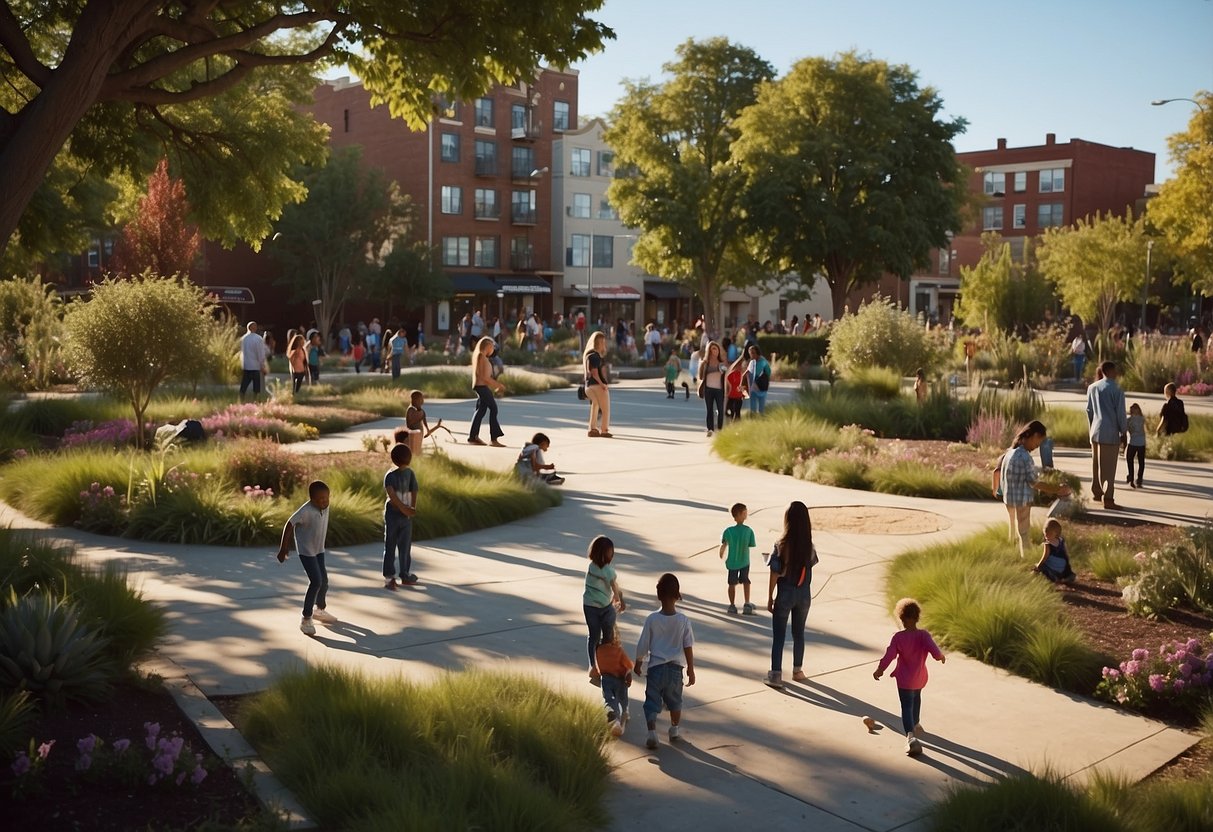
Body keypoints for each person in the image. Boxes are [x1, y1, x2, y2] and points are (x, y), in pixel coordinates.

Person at [873, 598, 945, 757]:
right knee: (917, 697)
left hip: (904, 679)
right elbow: (934, 651)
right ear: (917, 617)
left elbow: (889, 656)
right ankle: (916, 723)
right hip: (919, 677)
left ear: (901, 618)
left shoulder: (898, 637)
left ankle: (910, 736)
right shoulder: (923, 635)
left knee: (906, 706)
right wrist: (941, 657)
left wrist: (880, 669)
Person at [634, 573, 695, 750]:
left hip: (656, 669)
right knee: (675, 701)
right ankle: (674, 729)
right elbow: (688, 645)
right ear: (678, 595)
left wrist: (638, 661)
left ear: (658, 595)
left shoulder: (652, 619)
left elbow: (643, 643)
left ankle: (652, 732)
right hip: (675, 670)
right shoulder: (683, 620)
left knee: (652, 702)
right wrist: (690, 669)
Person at [1000, 420, 1072, 557]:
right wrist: (1057, 489)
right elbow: (1034, 482)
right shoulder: (1025, 457)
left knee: (1014, 531)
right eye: (1038, 441)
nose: (1038, 445)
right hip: (1022, 500)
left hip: (1009, 498)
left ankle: (1014, 557)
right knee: (1024, 533)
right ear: (1034, 435)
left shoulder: (1010, 452)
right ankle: (1026, 558)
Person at [274, 481, 337, 635]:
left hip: (319, 550)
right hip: (306, 552)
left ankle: (319, 610)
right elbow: (289, 524)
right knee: (316, 581)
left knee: (324, 581)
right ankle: (306, 618)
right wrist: (283, 548)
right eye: (320, 499)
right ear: (312, 499)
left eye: (326, 498)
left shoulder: (325, 507)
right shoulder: (305, 510)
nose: (325, 502)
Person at [765, 501, 816, 689]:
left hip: (785, 593)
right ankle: (797, 670)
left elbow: (774, 572)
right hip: (804, 594)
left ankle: (776, 675)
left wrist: (770, 597)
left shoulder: (781, 545)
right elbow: (810, 567)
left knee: (779, 636)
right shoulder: (810, 546)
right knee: (799, 633)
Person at [584, 535, 626, 686]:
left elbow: (613, 585)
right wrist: (619, 598)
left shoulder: (592, 567)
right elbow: (614, 586)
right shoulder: (607, 571)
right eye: (610, 552)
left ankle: (596, 665)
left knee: (595, 636)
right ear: (603, 554)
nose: (612, 555)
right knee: (604, 636)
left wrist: (616, 596)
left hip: (595, 606)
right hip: (598, 608)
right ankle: (599, 666)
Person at [1086, 361, 1128, 509]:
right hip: (1110, 432)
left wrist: (1091, 428)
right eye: (1115, 370)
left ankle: (1097, 492)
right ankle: (1108, 497)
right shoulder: (1117, 389)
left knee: (1096, 464)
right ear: (1110, 371)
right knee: (1109, 467)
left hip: (1096, 431)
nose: (1116, 373)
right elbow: (1120, 413)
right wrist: (1124, 432)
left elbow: (1089, 411)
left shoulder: (1092, 388)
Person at [382, 443, 419, 590]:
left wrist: (410, 509)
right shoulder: (397, 475)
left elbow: (411, 491)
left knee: (399, 545)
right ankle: (396, 575)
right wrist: (408, 509)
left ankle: (398, 575)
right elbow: (394, 496)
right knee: (396, 545)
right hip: (396, 514)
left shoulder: (396, 475)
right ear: (409, 458)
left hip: (400, 514)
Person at [596, 623, 634, 737]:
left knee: (609, 699)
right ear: (616, 636)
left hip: (606, 679)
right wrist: (628, 673)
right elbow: (628, 665)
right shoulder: (618, 651)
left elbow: (595, 666)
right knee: (622, 698)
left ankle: (614, 718)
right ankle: (624, 713)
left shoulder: (599, 650)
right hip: (620, 680)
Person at [467, 336, 506, 447]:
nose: (494, 349)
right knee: (493, 409)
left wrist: (495, 386)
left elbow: (485, 378)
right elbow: (485, 378)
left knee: (481, 410)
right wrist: (499, 385)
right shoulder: (481, 357)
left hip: (482, 386)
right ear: (488, 346)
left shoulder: (482, 356)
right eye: (492, 346)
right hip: (481, 387)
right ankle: (494, 438)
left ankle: (473, 437)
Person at [719, 502, 756, 615]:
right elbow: (751, 544)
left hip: (732, 563)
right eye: (745, 513)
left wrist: (721, 552)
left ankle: (732, 605)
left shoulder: (728, 531)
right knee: (746, 581)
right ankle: (747, 604)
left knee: (731, 583)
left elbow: (724, 544)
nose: (746, 514)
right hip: (744, 561)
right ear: (739, 514)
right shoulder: (748, 531)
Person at [1031, 518, 1076, 587]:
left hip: (1053, 568)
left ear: (1055, 533)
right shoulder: (1061, 540)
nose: (1046, 536)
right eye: (1045, 534)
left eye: (1048, 534)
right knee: (1063, 563)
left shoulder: (1048, 544)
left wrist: (1038, 566)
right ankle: (1068, 575)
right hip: (1063, 567)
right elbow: (1066, 553)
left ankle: (1052, 578)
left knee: (1040, 567)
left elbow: (1044, 557)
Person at [584, 331, 612, 438]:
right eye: (603, 342)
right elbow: (594, 373)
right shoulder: (595, 356)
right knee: (605, 409)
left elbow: (588, 373)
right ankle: (604, 430)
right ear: (599, 343)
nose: (604, 345)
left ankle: (592, 428)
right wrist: (602, 384)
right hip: (597, 385)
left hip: (588, 386)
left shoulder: (588, 355)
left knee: (595, 405)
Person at [700, 341, 727, 437]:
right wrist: (702, 366)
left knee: (720, 410)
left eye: (716, 349)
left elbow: (725, 376)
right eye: (713, 349)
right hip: (708, 389)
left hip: (719, 390)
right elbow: (700, 377)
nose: (715, 351)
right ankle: (710, 429)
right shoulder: (705, 363)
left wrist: (723, 371)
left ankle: (719, 429)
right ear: (709, 351)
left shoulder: (721, 363)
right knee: (709, 410)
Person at [239, 321, 271, 401]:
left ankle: (241, 398)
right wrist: (262, 365)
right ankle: (255, 400)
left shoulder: (243, 339)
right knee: (256, 386)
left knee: (244, 384)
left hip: (246, 365)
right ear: (255, 328)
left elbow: (242, 352)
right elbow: (260, 353)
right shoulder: (258, 339)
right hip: (255, 366)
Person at [404, 390, 441, 457]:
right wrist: (421, 413)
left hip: (419, 433)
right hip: (413, 434)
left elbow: (424, 420)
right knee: (413, 450)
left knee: (418, 449)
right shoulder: (411, 409)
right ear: (415, 399)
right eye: (421, 398)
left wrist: (428, 430)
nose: (422, 400)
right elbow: (412, 421)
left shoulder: (420, 410)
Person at [745, 344, 772, 415]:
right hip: (753, 388)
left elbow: (768, 373)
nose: (751, 355)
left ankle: (760, 421)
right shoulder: (752, 362)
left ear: (757, 353)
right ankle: (754, 421)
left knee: (761, 409)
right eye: (750, 353)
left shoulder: (763, 362)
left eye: (753, 353)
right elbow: (748, 372)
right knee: (753, 409)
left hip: (761, 387)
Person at [1125, 402, 1147, 489]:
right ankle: (1139, 479)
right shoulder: (1142, 418)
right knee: (1141, 462)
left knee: (1130, 460)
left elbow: (1124, 430)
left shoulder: (1129, 420)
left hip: (1133, 442)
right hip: (1141, 442)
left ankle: (1131, 477)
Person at [724, 355, 746, 421]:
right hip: (731, 396)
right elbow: (727, 385)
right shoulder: (731, 374)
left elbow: (744, 386)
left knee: (737, 412)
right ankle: (731, 421)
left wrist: (744, 394)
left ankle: (736, 424)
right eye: (738, 366)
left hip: (739, 397)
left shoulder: (742, 375)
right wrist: (726, 394)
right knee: (728, 411)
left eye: (741, 366)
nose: (740, 367)